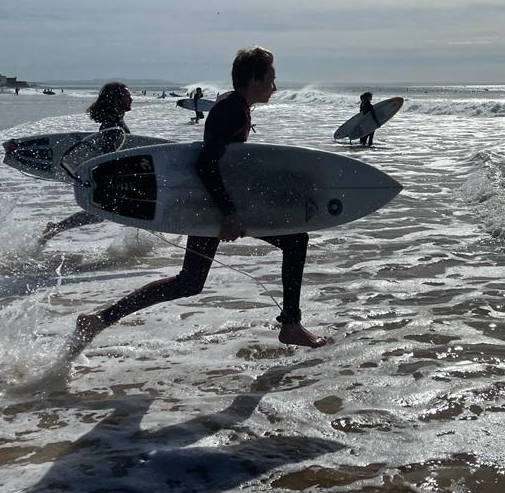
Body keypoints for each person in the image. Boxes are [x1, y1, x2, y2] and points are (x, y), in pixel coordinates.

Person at [66, 46, 326, 357]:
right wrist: (229, 213)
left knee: (189, 281)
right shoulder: (232, 109)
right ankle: (291, 325)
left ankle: (97, 321)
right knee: (296, 241)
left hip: (209, 201)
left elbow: (224, 162)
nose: (274, 85)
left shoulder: (233, 104)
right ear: (255, 79)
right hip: (213, 204)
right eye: (271, 78)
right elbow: (206, 163)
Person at [40, 82, 133, 243]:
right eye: (127, 94)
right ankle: (56, 227)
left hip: (113, 175)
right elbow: (108, 153)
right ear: (117, 99)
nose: (131, 98)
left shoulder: (115, 121)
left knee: (102, 213)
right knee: (102, 212)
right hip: (111, 176)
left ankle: (56, 227)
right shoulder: (112, 124)